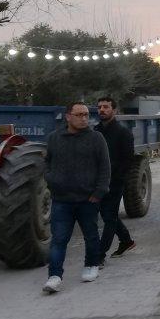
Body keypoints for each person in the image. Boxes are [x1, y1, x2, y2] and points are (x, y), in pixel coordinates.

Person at [43, 101, 110, 293]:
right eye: (79, 115)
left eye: (86, 115)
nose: (84, 119)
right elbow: (47, 162)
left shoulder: (96, 138)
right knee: (59, 239)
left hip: (87, 199)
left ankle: (91, 265)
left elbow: (105, 167)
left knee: (91, 235)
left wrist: (98, 193)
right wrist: (51, 179)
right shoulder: (55, 138)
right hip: (62, 200)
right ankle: (54, 276)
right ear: (68, 117)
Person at [95, 96, 136, 262]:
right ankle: (126, 241)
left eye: (106, 107)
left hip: (115, 182)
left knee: (109, 217)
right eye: (99, 107)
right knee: (107, 214)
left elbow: (127, 160)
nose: (102, 110)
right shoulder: (95, 131)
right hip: (97, 183)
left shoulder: (123, 133)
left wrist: (116, 178)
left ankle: (99, 254)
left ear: (114, 110)